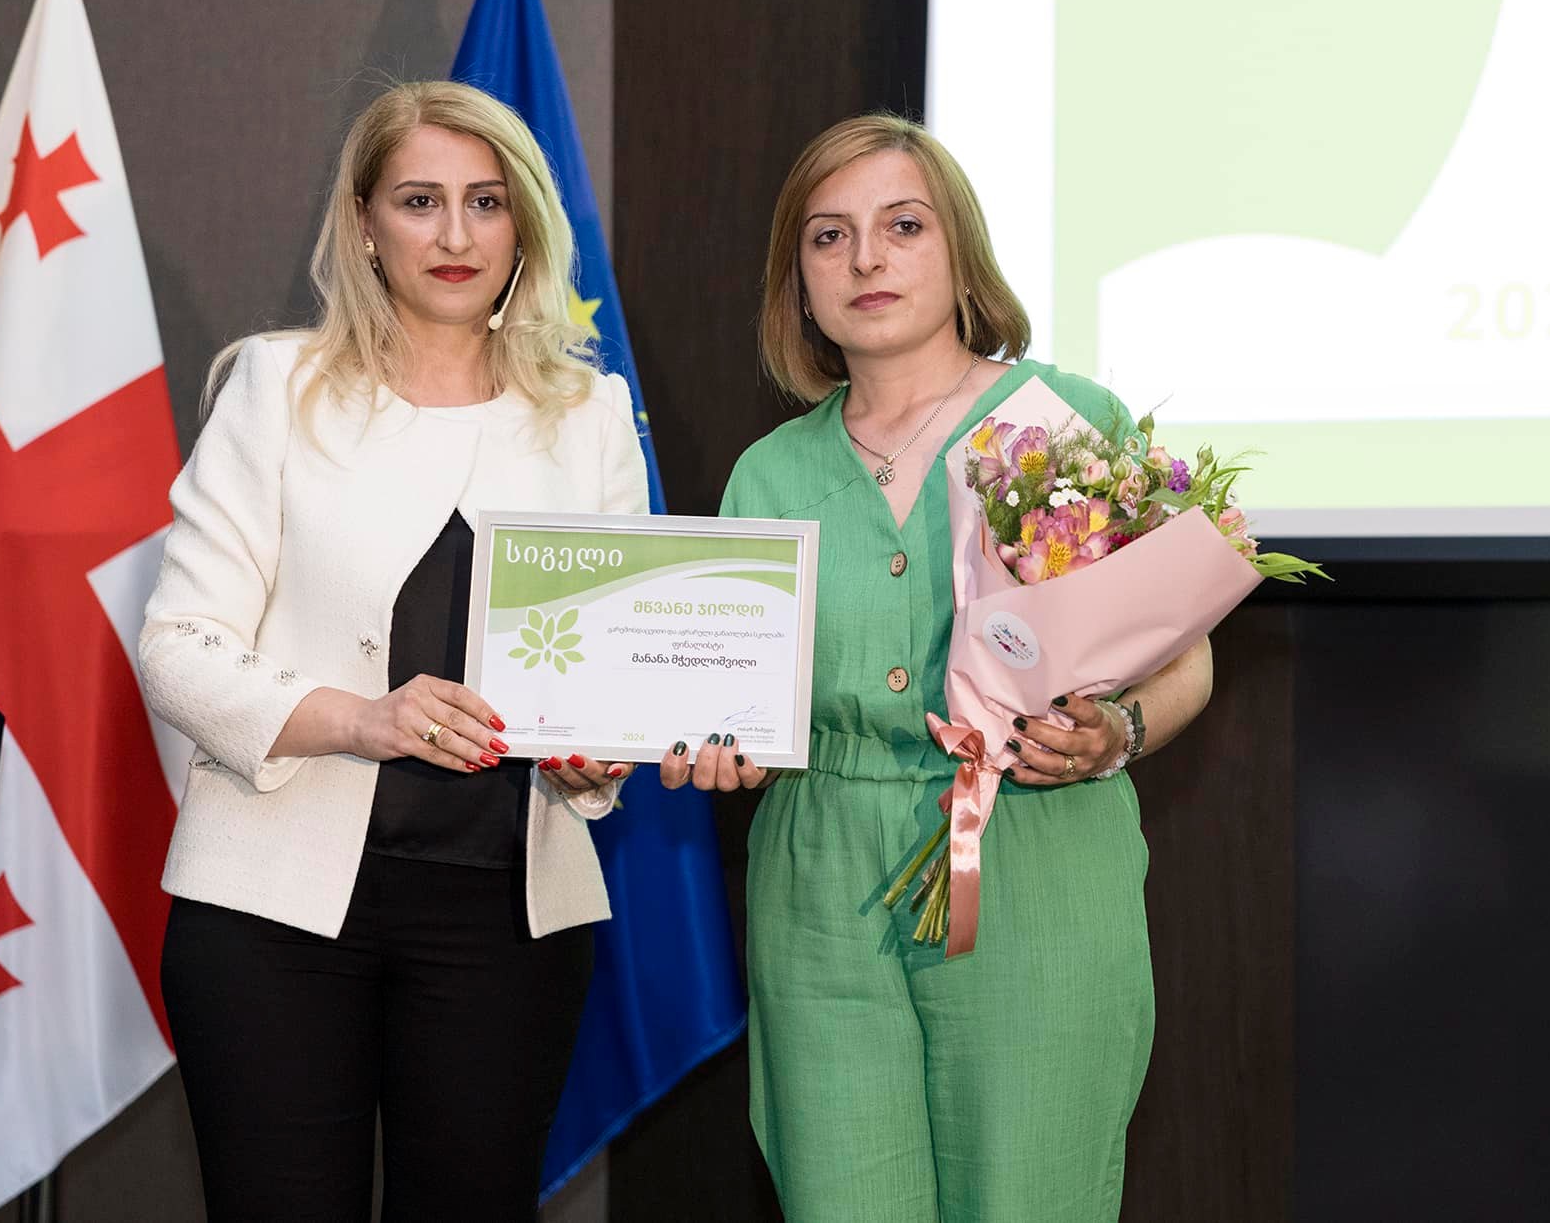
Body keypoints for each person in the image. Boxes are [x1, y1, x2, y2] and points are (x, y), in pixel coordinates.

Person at [660, 114, 1215, 1222]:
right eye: (829, 236)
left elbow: (1186, 658)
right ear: (798, 283)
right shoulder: (767, 474)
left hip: (1036, 857)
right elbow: (733, 698)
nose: (866, 259)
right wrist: (718, 751)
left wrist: (1117, 734)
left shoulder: (1069, 422)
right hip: (817, 883)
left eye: (903, 226)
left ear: (960, 251)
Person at [139, 80, 647, 1222]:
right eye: (421, 201)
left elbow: (606, 687)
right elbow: (178, 647)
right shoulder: (277, 385)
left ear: (525, 224)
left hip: (507, 926)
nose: (456, 233)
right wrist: (363, 718)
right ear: (366, 223)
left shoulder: (591, 415)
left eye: (486, 201)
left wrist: (594, 758)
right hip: (270, 914)